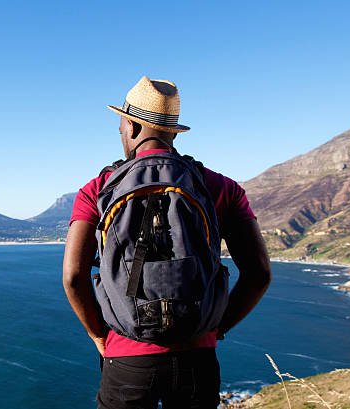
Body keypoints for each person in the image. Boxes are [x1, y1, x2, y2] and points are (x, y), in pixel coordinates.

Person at [62, 76, 272, 409]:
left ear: (131, 126)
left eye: (120, 127)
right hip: (197, 357)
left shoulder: (97, 190)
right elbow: (259, 274)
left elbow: (74, 277)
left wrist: (98, 335)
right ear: (173, 132)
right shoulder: (221, 187)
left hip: (126, 357)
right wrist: (217, 327)